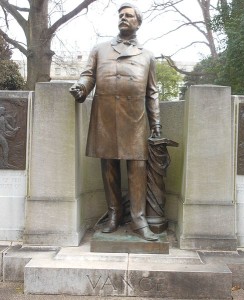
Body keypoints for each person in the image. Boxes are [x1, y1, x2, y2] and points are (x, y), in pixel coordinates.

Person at [69, 3, 161, 241]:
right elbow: (88, 75)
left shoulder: (148, 55)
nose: (123, 18)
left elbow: (152, 92)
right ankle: (114, 214)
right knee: (108, 165)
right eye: (120, 15)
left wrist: (156, 125)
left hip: (135, 117)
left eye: (129, 15)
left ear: (138, 22)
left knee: (137, 167)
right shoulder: (100, 49)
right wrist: (81, 88)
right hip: (106, 113)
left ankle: (138, 219)